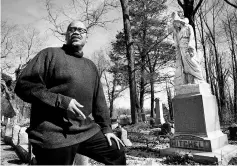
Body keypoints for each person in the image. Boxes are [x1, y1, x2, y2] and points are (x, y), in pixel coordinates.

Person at [14, 20, 126, 165]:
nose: (77, 32)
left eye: (81, 30)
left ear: (86, 37)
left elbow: (99, 101)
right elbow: (24, 86)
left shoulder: (90, 66)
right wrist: (61, 101)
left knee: (116, 152)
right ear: (66, 35)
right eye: (72, 29)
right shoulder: (49, 55)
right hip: (53, 134)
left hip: (86, 130)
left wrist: (107, 129)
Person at [169, 12, 204, 86]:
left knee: (192, 61)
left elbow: (192, 37)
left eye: (176, 22)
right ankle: (191, 80)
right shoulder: (178, 31)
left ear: (180, 21)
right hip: (182, 48)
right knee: (185, 65)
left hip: (187, 47)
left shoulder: (188, 27)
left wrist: (190, 45)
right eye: (175, 23)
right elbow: (176, 40)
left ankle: (199, 78)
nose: (176, 24)